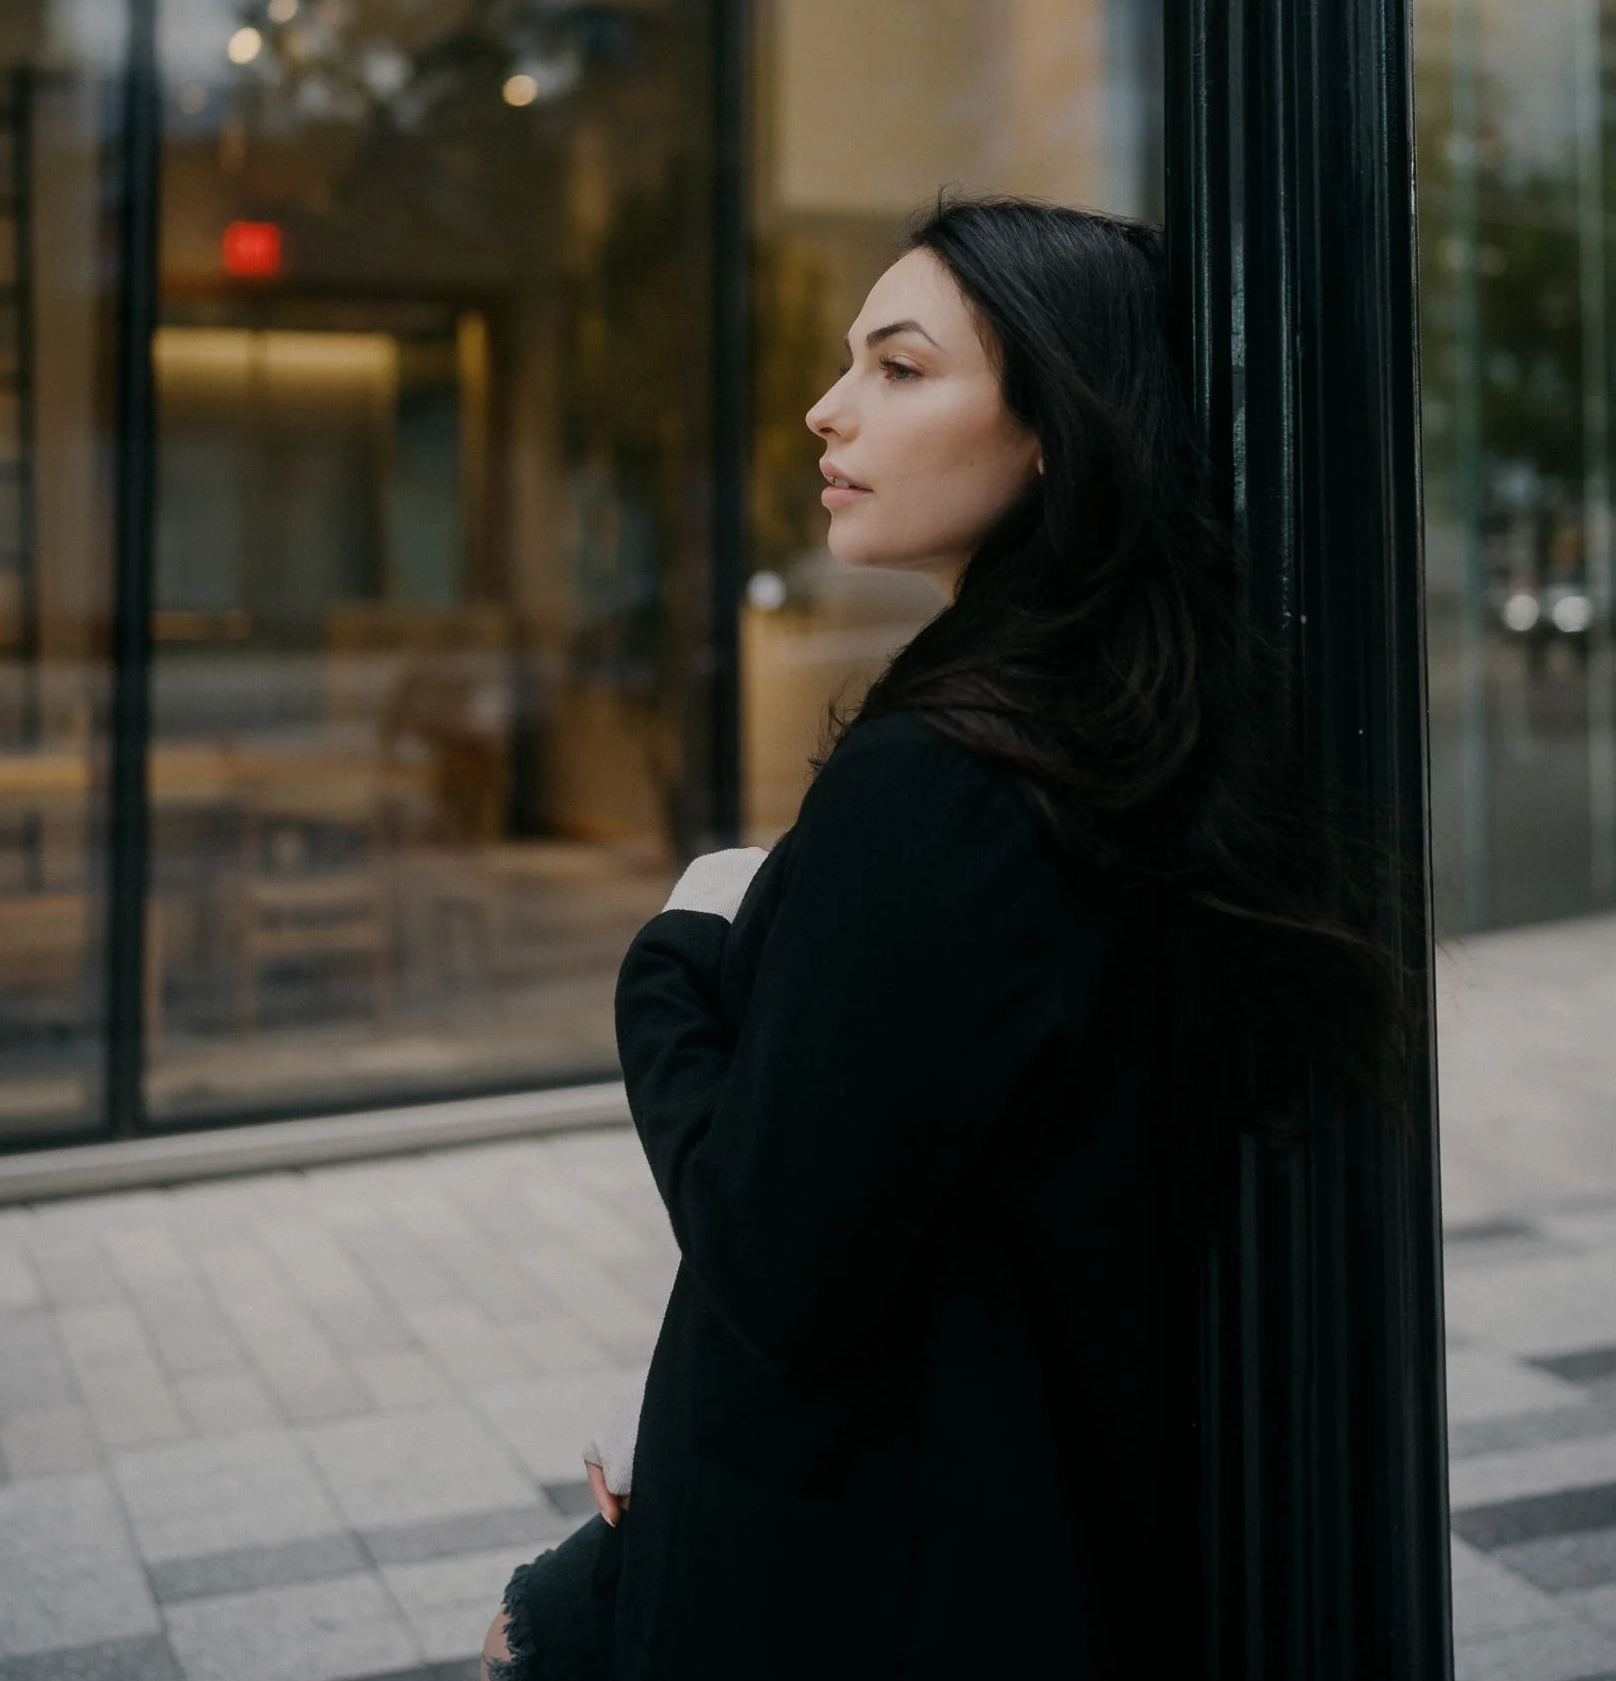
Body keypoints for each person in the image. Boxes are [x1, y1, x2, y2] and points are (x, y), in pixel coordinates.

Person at [481, 197, 1404, 1681]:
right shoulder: (1119, 740)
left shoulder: (945, 784)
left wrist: (673, 954)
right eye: (850, 364)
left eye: (900, 369)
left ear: (1052, 426)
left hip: (871, 1579)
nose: (826, 407)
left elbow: (779, 1265)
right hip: (1002, 1536)